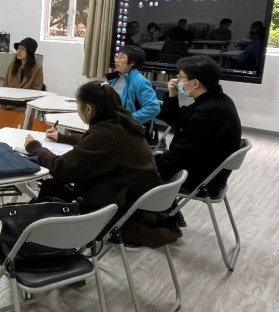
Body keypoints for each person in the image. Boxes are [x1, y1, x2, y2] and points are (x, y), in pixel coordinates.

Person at [23, 82, 178, 247]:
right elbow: (95, 143)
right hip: (135, 205)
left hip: (115, 213)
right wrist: (62, 137)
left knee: (54, 185)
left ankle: (38, 242)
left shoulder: (105, 134)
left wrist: (35, 148)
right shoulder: (124, 123)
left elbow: (62, 167)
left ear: (89, 109)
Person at [155, 56, 242, 200]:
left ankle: (156, 212)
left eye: (181, 77)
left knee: (130, 173)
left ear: (194, 82)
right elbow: (176, 121)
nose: (177, 81)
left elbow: (179, 158)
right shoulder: (214, 100)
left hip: (196, 179)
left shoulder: (211, 112)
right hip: (198, 168)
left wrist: (148, 159)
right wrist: (172, 95)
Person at [0, 37, 44, 134]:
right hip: (8, 102)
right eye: (18, 48)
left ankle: (16, 137)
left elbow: (36, 91)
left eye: (22, 49)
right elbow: (5, 86)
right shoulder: (12, 65)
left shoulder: (37, 69)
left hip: (25, 105)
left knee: (20, 116)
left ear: (29, 52)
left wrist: (20, 98)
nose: (18, 51)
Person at [107, 46, 160, 134]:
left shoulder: (140, 81)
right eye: (116, 56)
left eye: (121, 57)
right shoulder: (115, 78)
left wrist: (127, 120)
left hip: (129, 130)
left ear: (132, 62)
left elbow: (153, 108)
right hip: (112, 124)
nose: (116, 60)